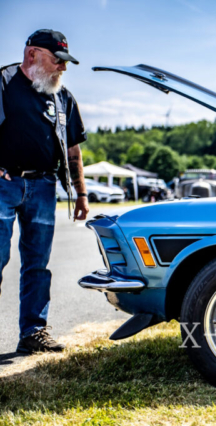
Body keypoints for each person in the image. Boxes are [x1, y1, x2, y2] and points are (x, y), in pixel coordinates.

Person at [0, 29, 90, 354]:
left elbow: (74, 151)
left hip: (44, 187)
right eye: (57, 60)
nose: (62, 68)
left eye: (65, 62)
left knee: (38, 264)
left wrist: (81, 193)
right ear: (32, 54)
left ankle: (33, 333)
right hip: (4, 184)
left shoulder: (63, 97)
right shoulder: (3, 82)